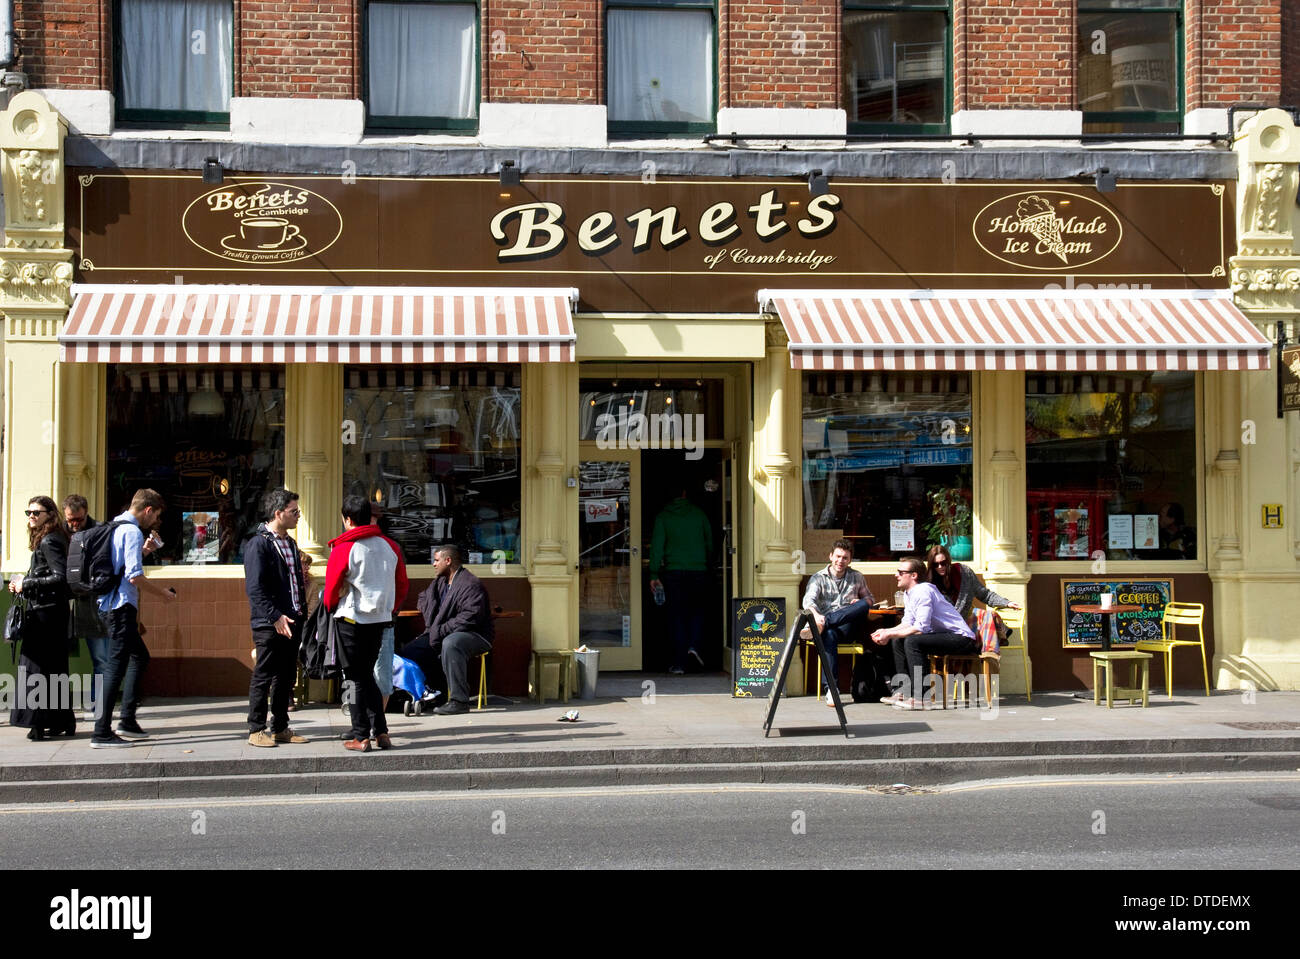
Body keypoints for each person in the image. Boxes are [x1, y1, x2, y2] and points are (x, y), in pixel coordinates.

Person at [91, 489, 177, 748]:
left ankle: (126, 720)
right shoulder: (131, 531)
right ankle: (101, 731)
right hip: (120, 607)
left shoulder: (115, 525)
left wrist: (143, 553)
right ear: (148, 510)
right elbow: (134, 577)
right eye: (156, 516)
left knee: (139, 656)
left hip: (108, 604)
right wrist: (163, 594)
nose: (154, 522)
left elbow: (121, 567)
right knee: (115, 667)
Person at [324, 494, 407, 752]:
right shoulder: (390, 546)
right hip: (380, 619)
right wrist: (390, 608)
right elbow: (402, 584)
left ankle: (361, 736)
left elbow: (330, 589)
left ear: (348, 520)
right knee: (366, 676)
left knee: (355, 677)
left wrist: (330, 607)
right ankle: (381, 732)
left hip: (351, 618)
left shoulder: (344, 548)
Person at [242, 489, 309, 748]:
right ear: (278, 513)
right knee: (264, 673)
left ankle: (280, 726)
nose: (298, 516)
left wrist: (298, 614)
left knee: (286, 675)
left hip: (292, 620)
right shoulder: (258, 544)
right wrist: (274, 616)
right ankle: (256, 729)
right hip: (269, 623)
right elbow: (255, 588)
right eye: (294, 512)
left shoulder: (290, 543)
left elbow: (295, 583)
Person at [8, 496, 75, 740]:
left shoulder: (50, 540)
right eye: (28, 513)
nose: (31, 517)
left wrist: (26, 583)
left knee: (35, 668)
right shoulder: (52, 538)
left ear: (50, 514)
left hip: (46, 614)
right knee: (53, 668)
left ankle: (37, 723)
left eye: (36, 512)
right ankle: (61, 721)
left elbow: (61, 578)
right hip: (51, 612)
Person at [871, 555, 976, 710]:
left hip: (961, 638)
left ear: (914, 575)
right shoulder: (909, 593)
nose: (896, 575)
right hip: (942, 635)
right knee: (898, 640)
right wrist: (886, 631)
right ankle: (904, 691)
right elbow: (907, 622)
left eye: (901, 572)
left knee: (913, 641)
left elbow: (921, 627)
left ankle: (921, 697)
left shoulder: (923, 591)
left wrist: (889, 634)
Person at [404, 544, 494, 716]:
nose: (433, 564)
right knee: (411, 650)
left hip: (476, 635)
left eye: (437, 560)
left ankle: (459, 700)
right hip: (443, 632)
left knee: (451, 643)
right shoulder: (440, 582)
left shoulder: (470, 584)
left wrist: (441, 629)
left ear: (448, 560)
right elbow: (423, 598)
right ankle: (428, 695)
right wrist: (436, 621)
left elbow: (470, 617)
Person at [800, 539, 875, 706]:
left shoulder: (857, 577)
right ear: (831, 556)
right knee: (829, 634)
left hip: (848, 628)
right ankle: (832, 690)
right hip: (828, 631)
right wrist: (817, 616)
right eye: (838, 556)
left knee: (862, 605)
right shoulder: (817, 578)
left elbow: (870, 599)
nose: (841, 561)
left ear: (850, 560)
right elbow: (808, 602)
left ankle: (825, 623)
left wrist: (860, 602)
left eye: (845, 558)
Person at [648, 486, 713, 674]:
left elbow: (657, 549)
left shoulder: (663, 517)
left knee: (676, 616)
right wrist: (707, 562)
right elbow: (709, 542)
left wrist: (653, 574)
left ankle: (679, 663)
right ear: (684, 493)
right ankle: (694, 645)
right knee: (697, 612)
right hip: (699, 571)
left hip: (673, 573)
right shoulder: (699, 514)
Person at [63, 494, 109, 723]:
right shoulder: (59, 532)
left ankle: (95, 704)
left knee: (101, 657)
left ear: (86, 512)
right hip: (63, 604)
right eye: (70, 519)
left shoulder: (99, 530)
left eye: (78, 519)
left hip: (90, 603)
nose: (74, 524)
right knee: (59, 657)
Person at [925, 545, 1019, 622]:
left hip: (965, 624)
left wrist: (1006, 603)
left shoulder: (964, 573)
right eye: (935, 564)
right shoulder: (929, 583)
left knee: (989, 618)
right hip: (942, 627)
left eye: (943, 563)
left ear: (948, 561)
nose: (940, 566)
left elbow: (984, 594)